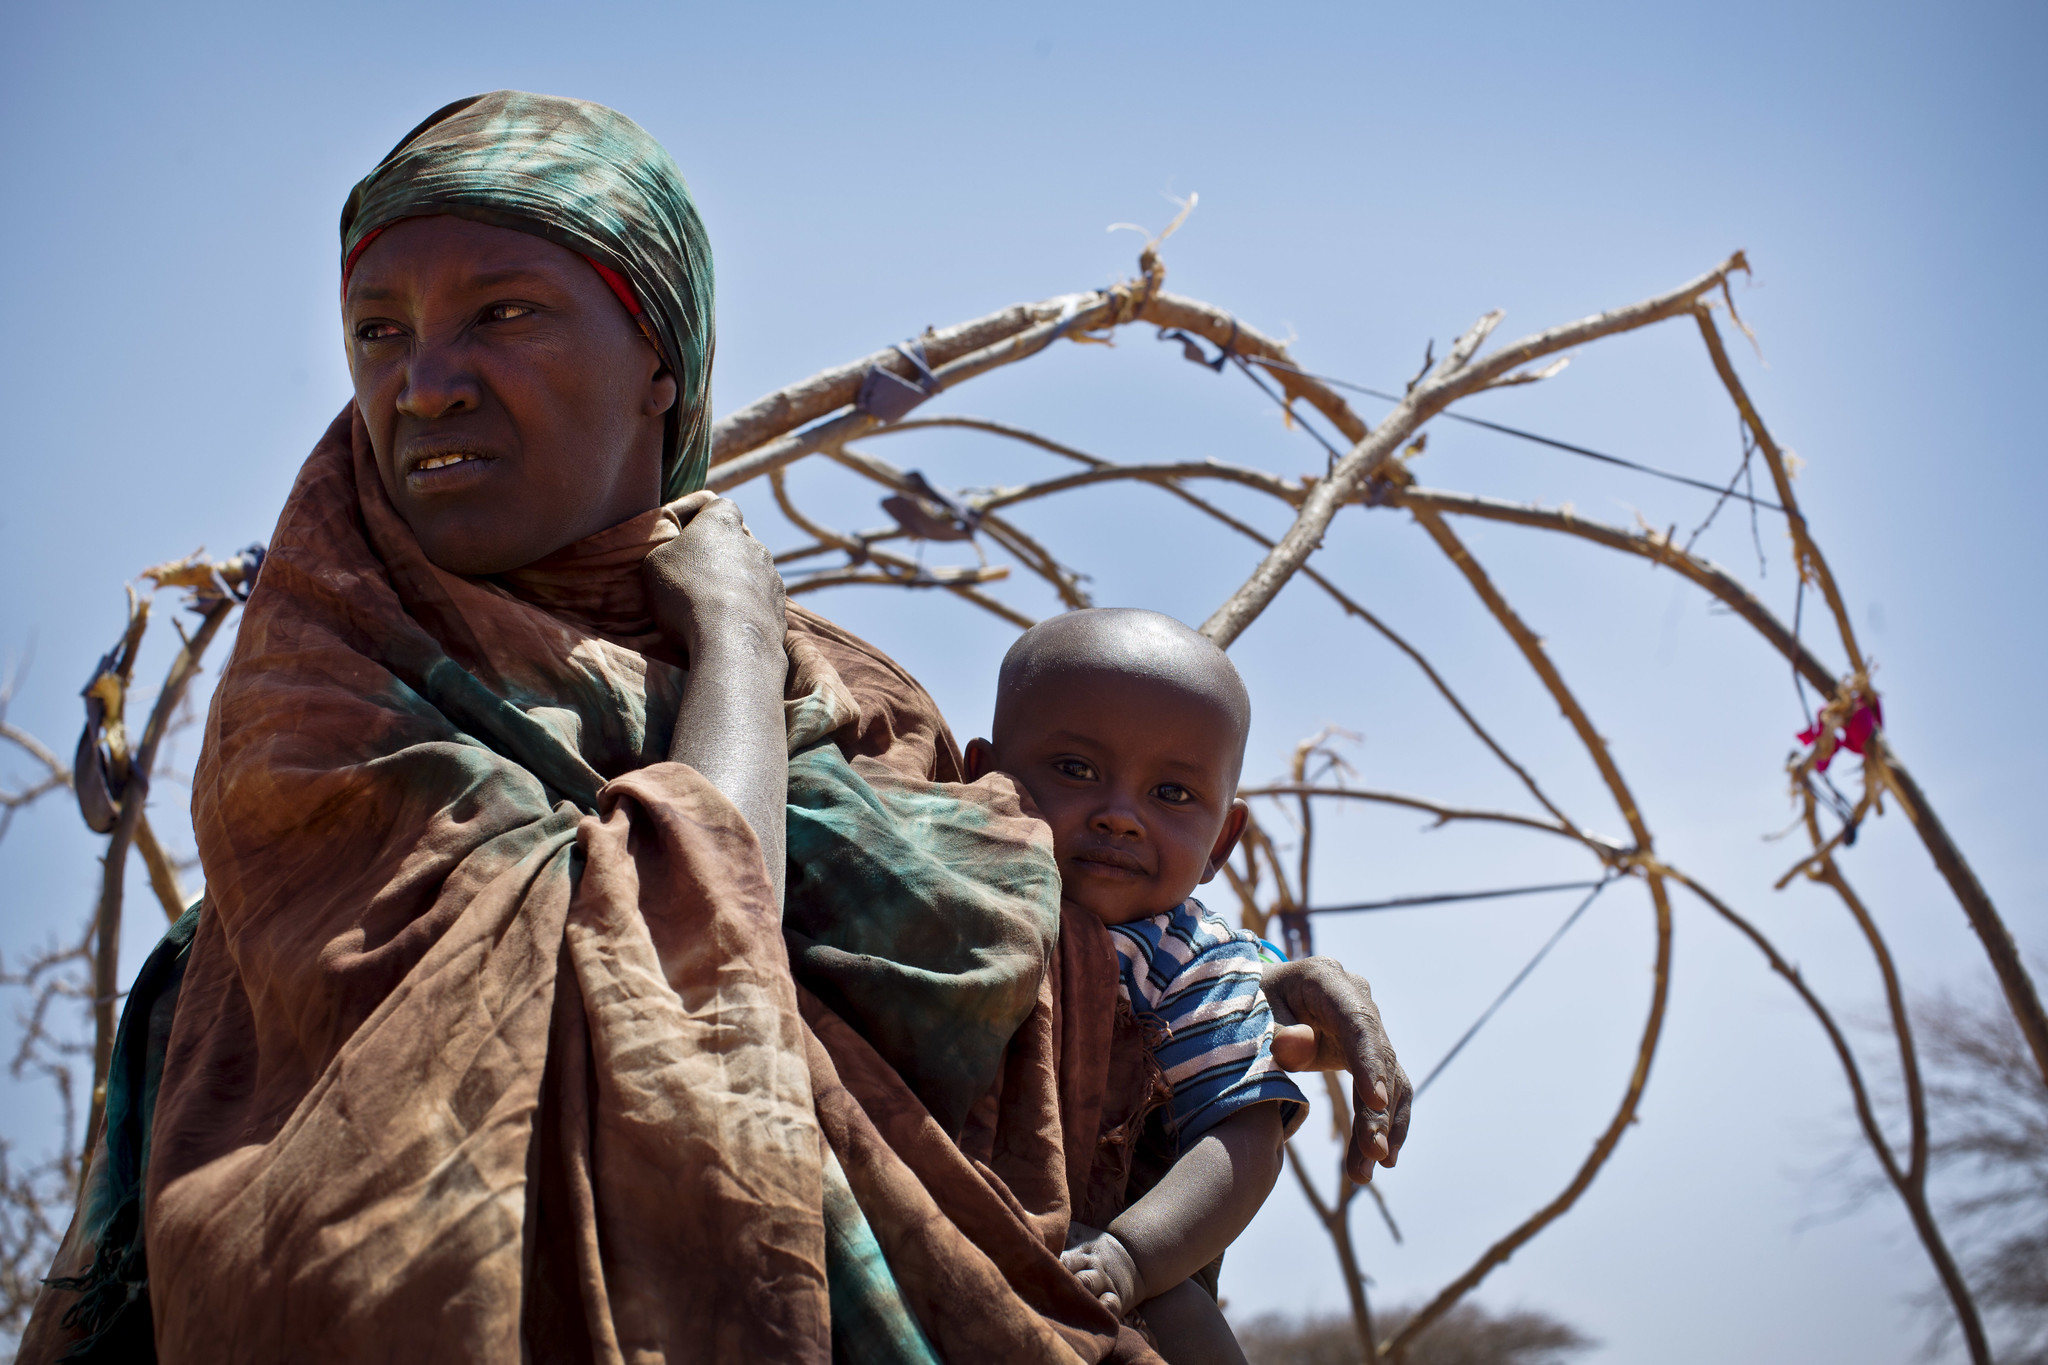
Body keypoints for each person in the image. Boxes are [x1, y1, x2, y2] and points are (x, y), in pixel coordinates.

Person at [20, 91, 1411, 1365]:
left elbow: (1022, 970)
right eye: (378, 328)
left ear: (659, 366)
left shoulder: (853, 698)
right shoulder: (332, 706)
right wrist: (732, 646)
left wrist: (1227, 983)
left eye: (502, 313)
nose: (422, 379)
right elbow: (677, 958)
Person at [966, 609, 1307, 1364]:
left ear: (1222, 841)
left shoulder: (1193, 958)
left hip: (1098, 1240)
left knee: (1180, 1312)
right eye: (1076, 770)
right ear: (982, 774)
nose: (1121, 816)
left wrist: (1133, 1254)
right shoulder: (944, 871)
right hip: (939, 1184)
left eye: (1172, 793)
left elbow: (1245, 1129)